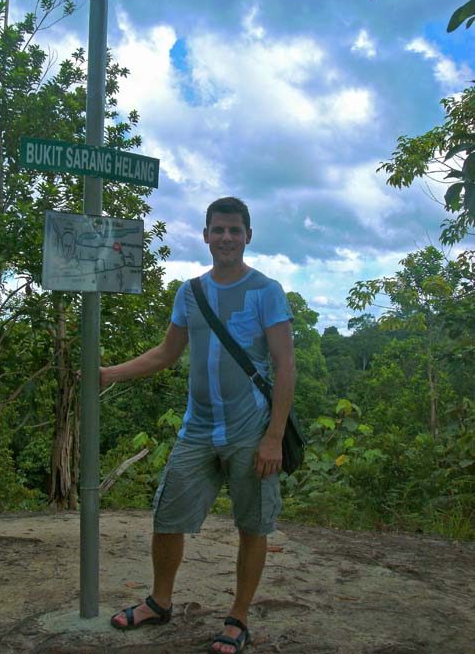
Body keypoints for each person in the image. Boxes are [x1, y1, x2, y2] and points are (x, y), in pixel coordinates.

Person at [103, 197, 296, 654]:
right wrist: (109, 374)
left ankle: (238, 619)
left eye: (235, 230)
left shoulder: (267, 290)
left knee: (252, 527)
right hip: (198, 430)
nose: (226, 238)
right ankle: (159, 601)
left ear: (248, 236)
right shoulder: (189, 292)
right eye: (218, 230)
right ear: (206, 235)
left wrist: (274, 438)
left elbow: (285, 365)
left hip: (252, 432)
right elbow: (166, 354)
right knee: (167, 516)